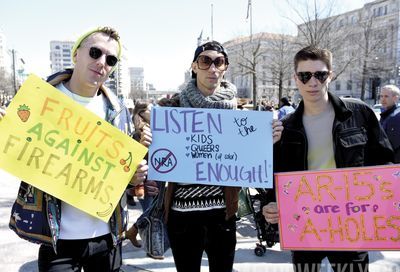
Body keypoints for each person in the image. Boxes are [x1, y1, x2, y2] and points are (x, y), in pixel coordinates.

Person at [7, 27, 149, 272]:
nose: (102, 62)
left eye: (110, 59)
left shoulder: (117, 111)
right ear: (76, 55)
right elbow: (18, 153)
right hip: (57, 241)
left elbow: (119, 173)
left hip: (107, 237)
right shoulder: (41, 100)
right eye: (95, 53)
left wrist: (133, 176)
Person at [262, 46, 393, 272]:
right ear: (296, 78)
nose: (313, 82)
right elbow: (277, 176)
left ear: (330, 75)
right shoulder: (287, 127)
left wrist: (386, 199)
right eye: (305, 75)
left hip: (352, 222)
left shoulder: (359, 113)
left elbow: (384, 161)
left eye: (320, 75)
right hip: (306, 225)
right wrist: (270, 204)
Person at [163, 41, 283, 272]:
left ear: (225, 67)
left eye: (219, 62)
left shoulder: (240, 114)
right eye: (205, 61)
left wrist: (266, 145)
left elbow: (248, 165)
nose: (212, 68)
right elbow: (159, 159)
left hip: (222, 216)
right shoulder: (172, 109)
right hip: (182, 218)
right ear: (194, 66)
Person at [379, 84, 400, 162]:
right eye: (381, 96)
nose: (383, 99)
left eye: (386, 96)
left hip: (392, 164)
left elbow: (392, 145)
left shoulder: (396, 116)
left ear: (395, 98)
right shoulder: (385, 114)